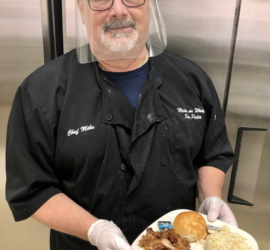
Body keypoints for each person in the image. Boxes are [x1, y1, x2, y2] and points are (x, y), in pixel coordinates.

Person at [6, 0, 237, 250]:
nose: (118, 10)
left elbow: (212, 153)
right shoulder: (41, 92)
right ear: (81, 9)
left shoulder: (192, 80)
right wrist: (94, 229)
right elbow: (32, 190)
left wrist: (210, 196)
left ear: (151, 7)